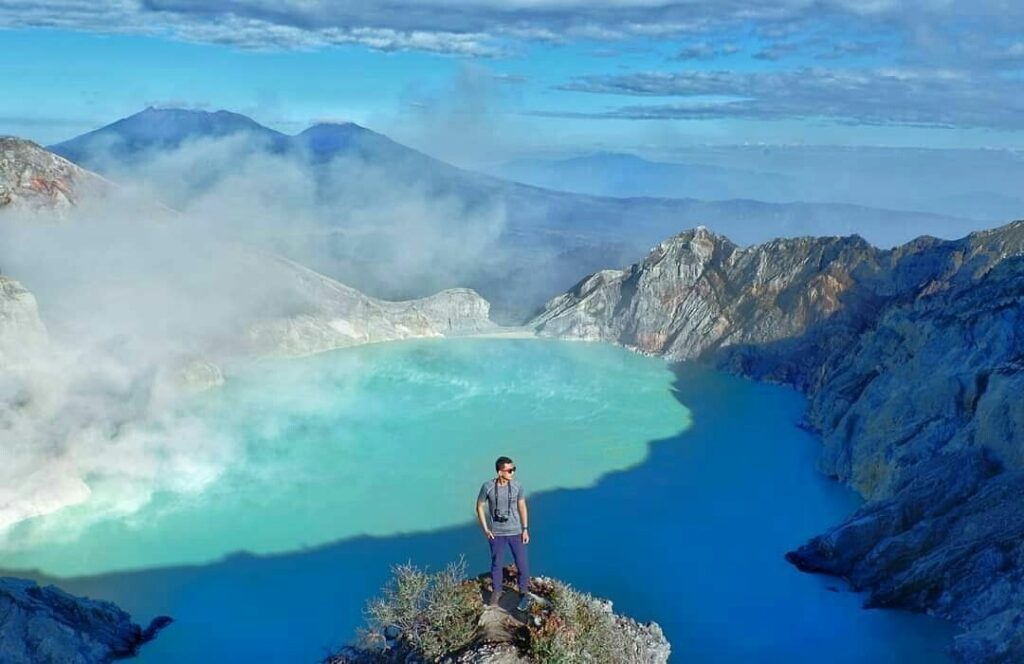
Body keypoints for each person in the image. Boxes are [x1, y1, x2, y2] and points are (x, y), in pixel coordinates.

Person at [476, 455, 531, 611]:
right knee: (496, 564)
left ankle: (523, 591)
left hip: (516, 532)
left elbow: (522, 506)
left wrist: (525, 529)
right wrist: (485, 529)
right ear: (500, 472)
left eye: (514, 469)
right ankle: (497, 591)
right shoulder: (488, 487)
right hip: (497, 533)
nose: (512, 473)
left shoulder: (517, 486)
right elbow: (479, 506)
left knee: (522, 564)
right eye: (509, 470)